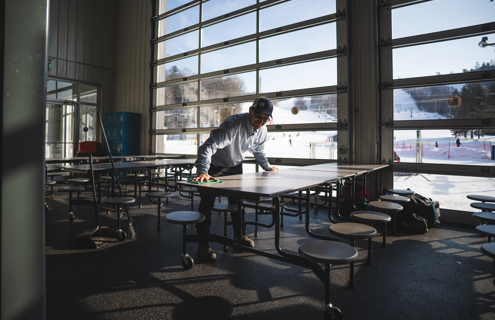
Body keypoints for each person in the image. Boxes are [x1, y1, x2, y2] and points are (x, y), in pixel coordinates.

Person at [192, 97, 279, 261]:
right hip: (214, 167)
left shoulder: (262, 129)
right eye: (258, 117)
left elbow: (258, 150)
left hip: (235, 166)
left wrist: (267, 167)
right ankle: (203, 244)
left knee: (238, 202)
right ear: (250, 111)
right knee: (207, 204)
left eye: (265, 119)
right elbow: (207, 147)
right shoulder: (232, 125)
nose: (260, 122)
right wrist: (203, 171)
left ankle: (239, 235)